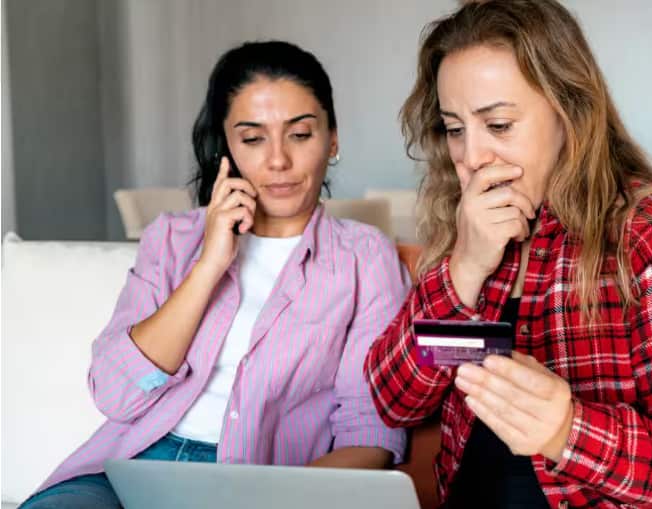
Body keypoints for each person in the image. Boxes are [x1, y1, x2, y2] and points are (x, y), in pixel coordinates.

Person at [364, 1, 652, 508]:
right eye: (455, 128)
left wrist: (568, 428)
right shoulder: (469, 228)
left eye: (497, 126)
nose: (470, 159)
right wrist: (464, 268)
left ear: (569, 113)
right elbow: (395, 402)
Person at [22, 40, 409, 509]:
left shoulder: (364, 257)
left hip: (259, 484)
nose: (278, 160)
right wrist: (209, 264)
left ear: (333, 139)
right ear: (225, 146)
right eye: (252, 138)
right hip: (126, 470)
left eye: (300, 134)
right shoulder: (170, 237)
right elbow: (115, 394)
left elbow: (370, 429)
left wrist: (276, 497)